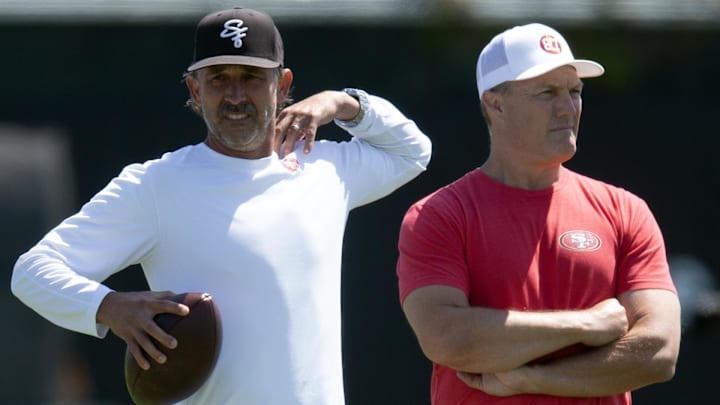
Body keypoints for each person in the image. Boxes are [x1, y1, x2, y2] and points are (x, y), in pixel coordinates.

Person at [11, 7, 431, 405]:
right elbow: (32, 273)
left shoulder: (324, 169)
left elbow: (413, 152)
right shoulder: (156, 185)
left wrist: (341, 103)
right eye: (218, 78)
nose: (234, 94)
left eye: (250, 77)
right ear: (195, 88)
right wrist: (109, 307)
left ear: (282, 86)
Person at [396, 23, 680, 404]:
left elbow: (658, 353)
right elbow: (448, 339)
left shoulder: (625, 210)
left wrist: (528, 379)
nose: (568, 107)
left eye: (575, 91)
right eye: (547, 93)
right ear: (495, 103)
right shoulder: (439, 215)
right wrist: (587, 324)